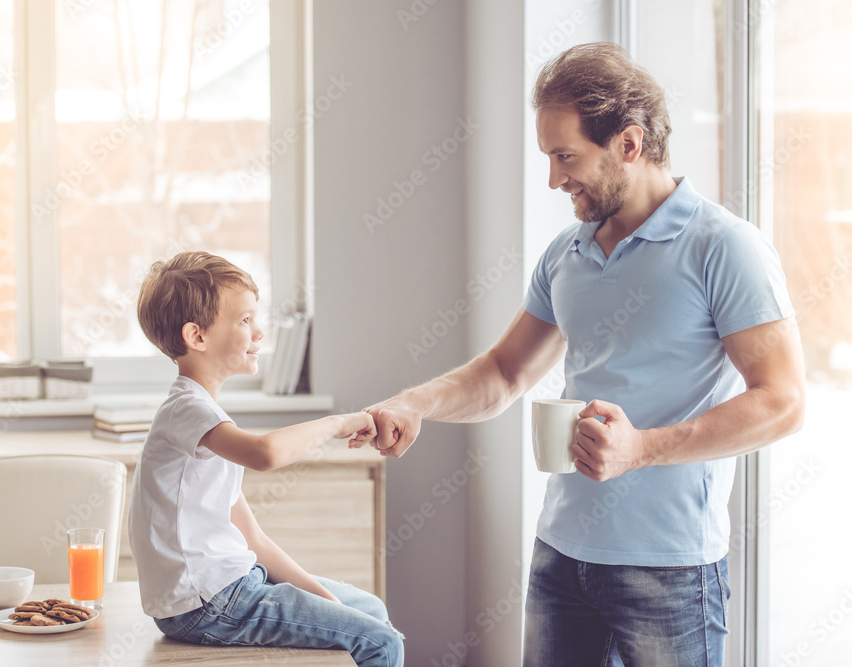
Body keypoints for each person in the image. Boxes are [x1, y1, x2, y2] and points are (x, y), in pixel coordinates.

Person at [362, 43, 805, 666]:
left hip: (671, 568)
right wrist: (413, 403)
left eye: (565, 156)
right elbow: (503, 372)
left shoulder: (726, 247)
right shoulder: (565, 253)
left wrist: (641, 449)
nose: (553, 179)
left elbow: (783, 402)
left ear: (629, 143)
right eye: (548, 156)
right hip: (562, 555)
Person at [128, 251, 403, 667]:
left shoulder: (207, 421)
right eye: (244, 320)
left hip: (236, 585)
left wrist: (331, 608)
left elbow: (254, 542)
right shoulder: (186, 411)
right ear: (196, 336)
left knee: (371, 613)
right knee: (384, 644)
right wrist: (341, 422)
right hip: (206, 603)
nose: (259, 332)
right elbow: (266, 453)